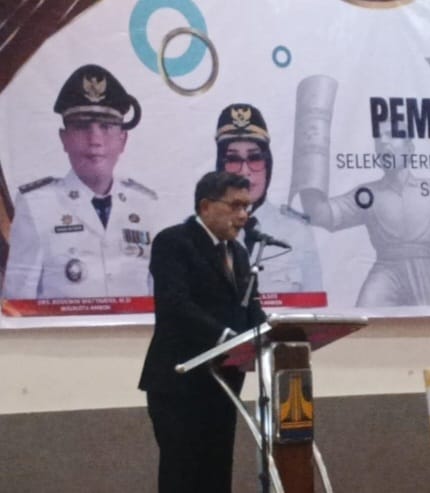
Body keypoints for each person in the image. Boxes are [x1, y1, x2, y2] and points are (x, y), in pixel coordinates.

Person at [138, 171, 266, 493]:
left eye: (247, 207)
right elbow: (176, 306)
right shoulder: (174, 242)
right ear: (206, 206)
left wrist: (272, 334)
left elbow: (249, 308)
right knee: (183, 476)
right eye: (235, 206)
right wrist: (227, 339)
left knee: (217, 473)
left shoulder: (238, 253)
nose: (243, 216)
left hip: (222, 382)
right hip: (180, 383)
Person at [3, 63, 157, 299]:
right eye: (82, 126)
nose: (95, 140)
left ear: (123, 140)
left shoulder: (145, 204)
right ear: (64, 138)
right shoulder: (37, 205)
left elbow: (159, 296)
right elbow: (18, 302)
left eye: (106, 127)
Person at [299, 121, 430, 307]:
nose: (383, 142)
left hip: (424, 271)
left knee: (427, 322)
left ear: (409, 149)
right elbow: (319, 214)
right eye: (378, 139)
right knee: (365, 316)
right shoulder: (367, 194)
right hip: (386, 269)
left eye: (390, 135)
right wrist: (309, 157)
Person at [214, 103, 323, 294]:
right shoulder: (197, 233)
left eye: (254, 158)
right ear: (220, 167)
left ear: (268, 165)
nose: (245, 172)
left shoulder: (297, 232)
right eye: (233, 160)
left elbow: (314, 303)